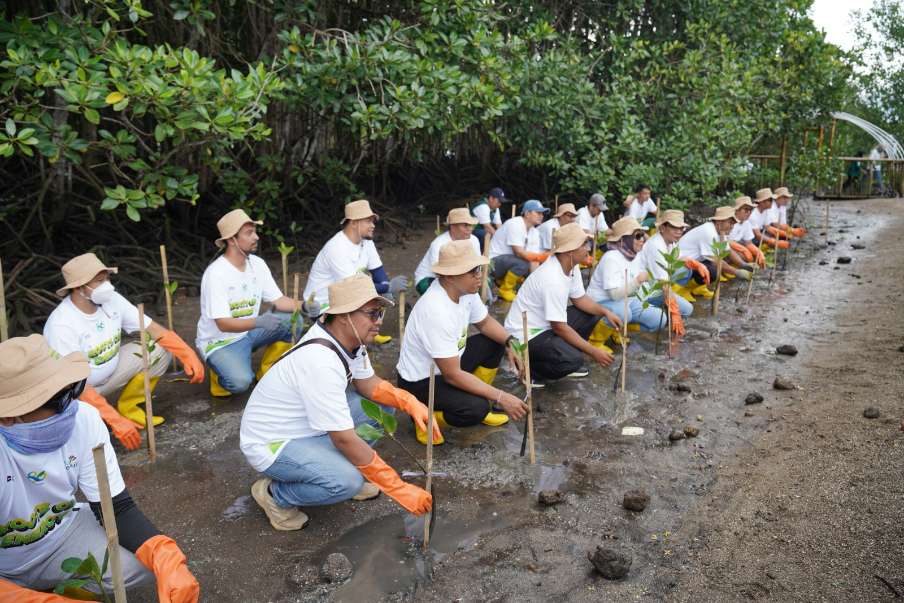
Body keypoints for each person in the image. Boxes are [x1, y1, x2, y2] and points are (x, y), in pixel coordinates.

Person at [0, 334, 199, 602]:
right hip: (5, 566)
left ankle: (65, 587)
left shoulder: (84, 419)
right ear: (8, 416)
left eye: (71, 391)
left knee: (145, 567)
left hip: (61, 536)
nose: (71, 406)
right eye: (56, 401)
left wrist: (163, 553)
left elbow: (116, 508)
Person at [240, 274, 434, 531]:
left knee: (381, 408)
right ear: (344, 316)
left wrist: (409, 401)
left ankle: (335, 465)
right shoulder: (320, 360)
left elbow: (368, 384)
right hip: (273, 443)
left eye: (380, 314)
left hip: (307, 426)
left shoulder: (349, 340)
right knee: (346, 481)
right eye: (372, 314)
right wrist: (398, 488)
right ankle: (275, 495)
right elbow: (343, 438)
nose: (378, 322)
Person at [44, 253, 204, 443]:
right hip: (76, 393)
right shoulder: (61, 325)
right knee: (84, 436)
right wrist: (114, 420)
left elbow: (153, 329)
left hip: (110, 374)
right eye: (100, 281)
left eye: (107, 278)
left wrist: (187, 353)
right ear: (79, 288)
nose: (107, 286)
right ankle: (105, 418)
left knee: (158, 350)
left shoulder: (111, 299)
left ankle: (129, 408)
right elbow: (74, 385)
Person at [397, 241, 529, 444]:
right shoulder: (436, 309)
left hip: (450, 365)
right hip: (422, 381)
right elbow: (452, 375)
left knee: (494, 342)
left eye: (478, 269)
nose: (479, 275)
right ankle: (423, 417)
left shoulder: (466, 292)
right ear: (450, 276)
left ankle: (479, 400)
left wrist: (511, 342)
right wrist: (501, 397)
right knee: (475, 409)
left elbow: (485, 323)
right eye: (473, 271)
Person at [503, 223, 623, 388]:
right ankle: (530, 370)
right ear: (569, 251)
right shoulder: (552, 278)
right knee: (574, 359)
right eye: (584, 245)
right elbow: (559, 327)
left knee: (593, 313)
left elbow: (580, 299)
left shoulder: (571, 267)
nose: (588, 249)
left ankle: (562, 356)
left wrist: (605, 311)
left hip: (544, 326)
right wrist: (593, 351)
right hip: (525, 335)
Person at [197, 209, 300, 397]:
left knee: (294, 321)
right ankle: (218, 372)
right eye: (249, 233)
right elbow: (223, 323)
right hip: (221, 341)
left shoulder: (257, 264)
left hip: (249, 332)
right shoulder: (216, 274)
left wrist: (305, 306)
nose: (256, 237)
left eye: (255, 231)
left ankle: (267, 372)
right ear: (231, 239)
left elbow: (279, 301)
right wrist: (259, 322)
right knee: (240, 383)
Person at [302, 200, 408, 344]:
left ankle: (366, 332)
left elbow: (380, 275)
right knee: (374, 295)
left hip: (348, 297)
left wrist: (384, 287)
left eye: (373, 221)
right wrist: (388, 287)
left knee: (378, 296)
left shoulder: (367, 242)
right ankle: (358, 336)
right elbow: (353, 288)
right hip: (323, 305)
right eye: (368, 221)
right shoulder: (336, 247)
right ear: (353, 223)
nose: (373, 225)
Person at [586, 217, 667, 338]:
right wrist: (638, 281)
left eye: (642, 235)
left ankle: (619, 330)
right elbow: (614, 295)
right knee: (624, 313)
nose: (642, 240)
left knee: (659, 319)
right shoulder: (611, 258)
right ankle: (596, 339)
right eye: (637, 236)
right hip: (601, 302)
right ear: (625, 239)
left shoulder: (636, 255)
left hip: (627, 301)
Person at [635, 209, 694, 324]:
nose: (679, 232)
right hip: (646, 292)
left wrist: (698, 265)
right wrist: (675, 310)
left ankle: (666, 311)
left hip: (657, 284)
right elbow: (664, 284)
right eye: (674, 228)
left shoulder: (670, 241)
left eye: (681, 228)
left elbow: (680, 258)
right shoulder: (656, 246)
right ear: (662, 228)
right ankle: (643, 323)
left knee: (687, 269)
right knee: (687, 310)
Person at [488, 199, 550, 302]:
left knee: (534, 267)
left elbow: (534, 260)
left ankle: (521, 289)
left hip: (508, 263)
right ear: (527, 213)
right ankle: (504, 290)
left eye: (542, 213)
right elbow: (519, 252)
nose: (541, 215)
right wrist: (542, 256)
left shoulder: (534, 232)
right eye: (538, 212)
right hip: (493, 264)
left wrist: (535, 283)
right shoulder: (515, 223)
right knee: (523, 263)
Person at [678, 206, 751, 293]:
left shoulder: (721, 232)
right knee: (713, 272)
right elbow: (715, 261)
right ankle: (684, 290)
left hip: (695, 261)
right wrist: (737, 272)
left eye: (733, 224)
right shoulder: (708, 232)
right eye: (730, 223)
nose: (732, 227)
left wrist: (743, 265)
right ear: (719, 222)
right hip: (681, 264)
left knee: (716, 266)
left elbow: (728, 251)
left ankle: (696, 289)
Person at [413, 208, 481, 295]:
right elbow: (440, 273)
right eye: (465, 225)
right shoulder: (438, 244)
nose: (470, 229)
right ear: (453, 226)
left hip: (458, 276)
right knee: (447, 292)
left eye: (471, 225)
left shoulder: (474, 240)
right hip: (430, 277)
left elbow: (476, 266)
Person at [727, 196, 766, 269]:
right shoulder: (729, 221)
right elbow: (725, 241)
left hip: (734, 247)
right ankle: (728, 268)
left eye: (751, 210)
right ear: (737, 210)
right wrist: (743, 249)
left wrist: (759, 253)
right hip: (722, 248)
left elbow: (749, 243)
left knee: (754, 254)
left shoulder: (746, 223)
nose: (749, 212)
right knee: (742, 255)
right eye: (746, 210)